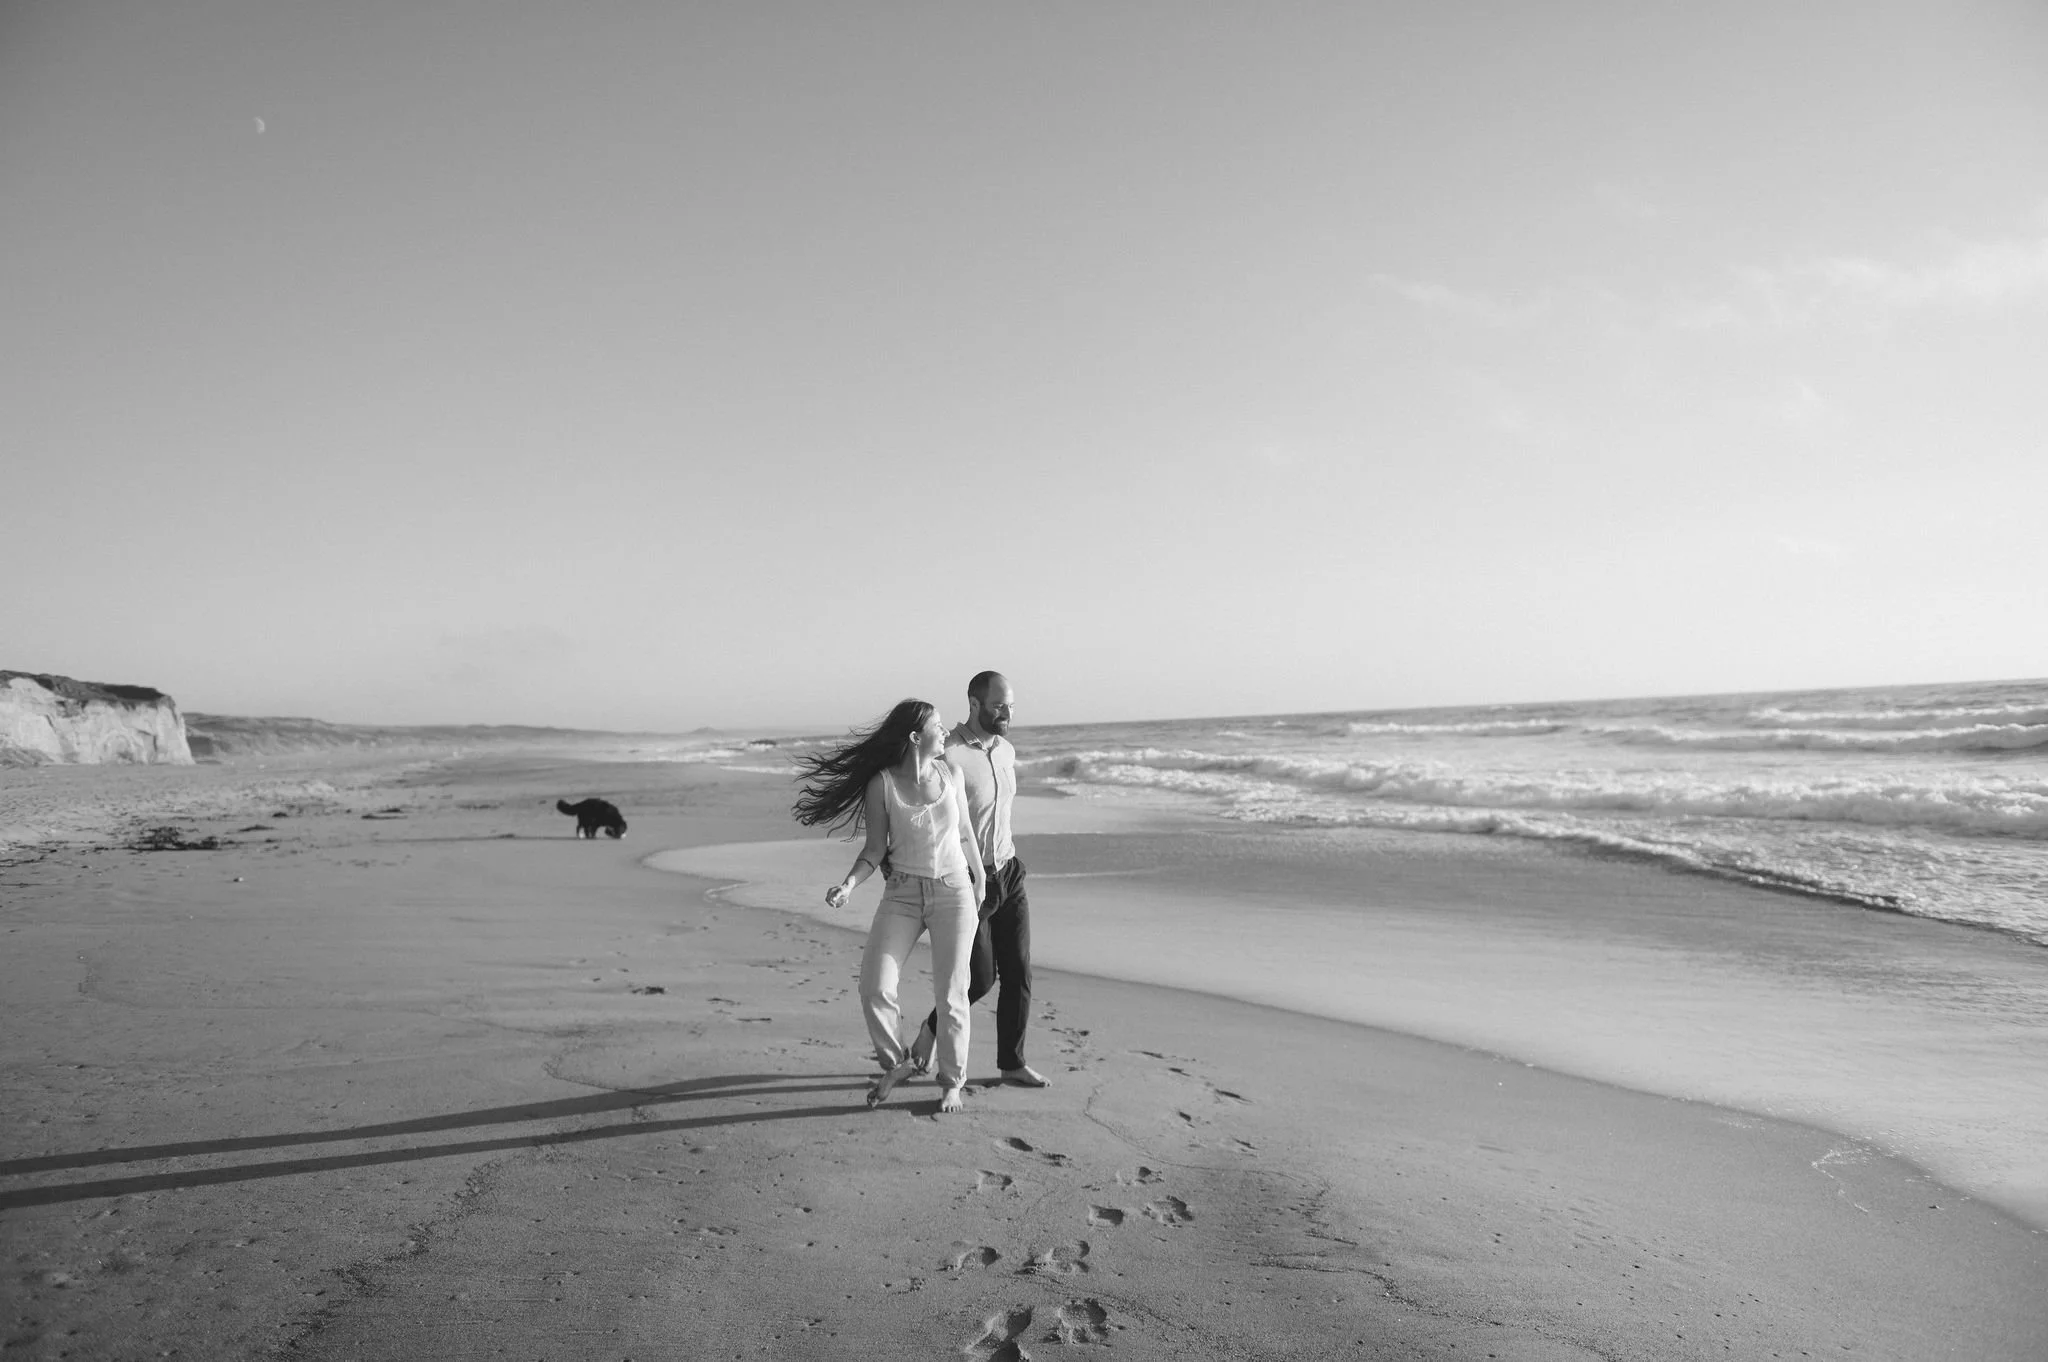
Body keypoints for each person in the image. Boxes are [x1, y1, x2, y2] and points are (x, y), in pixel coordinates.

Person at [792, 699, 985, 1114]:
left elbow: (966, 832)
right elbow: (874, 849)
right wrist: (848, 884)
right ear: (915, 737)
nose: (945, 732)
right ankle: (898, 1064)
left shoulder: (950, 773)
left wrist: (981, 878)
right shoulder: (882, 785)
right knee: (874, 986)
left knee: (952, 993)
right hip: (902, 894)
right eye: (937, 725)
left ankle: (952, 1082)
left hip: (954, 891)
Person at [908, 671, 1048, 1088]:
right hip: (969, 879)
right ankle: (932, 1028)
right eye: (999, 706)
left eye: (1011, 706)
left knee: (1019, 972)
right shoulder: (947, 752)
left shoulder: (1006, 750)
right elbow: (924, 810)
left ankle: (1012, 1063)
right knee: (981, 978)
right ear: (974, 703)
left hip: (1009, 871)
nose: (1007, 714)